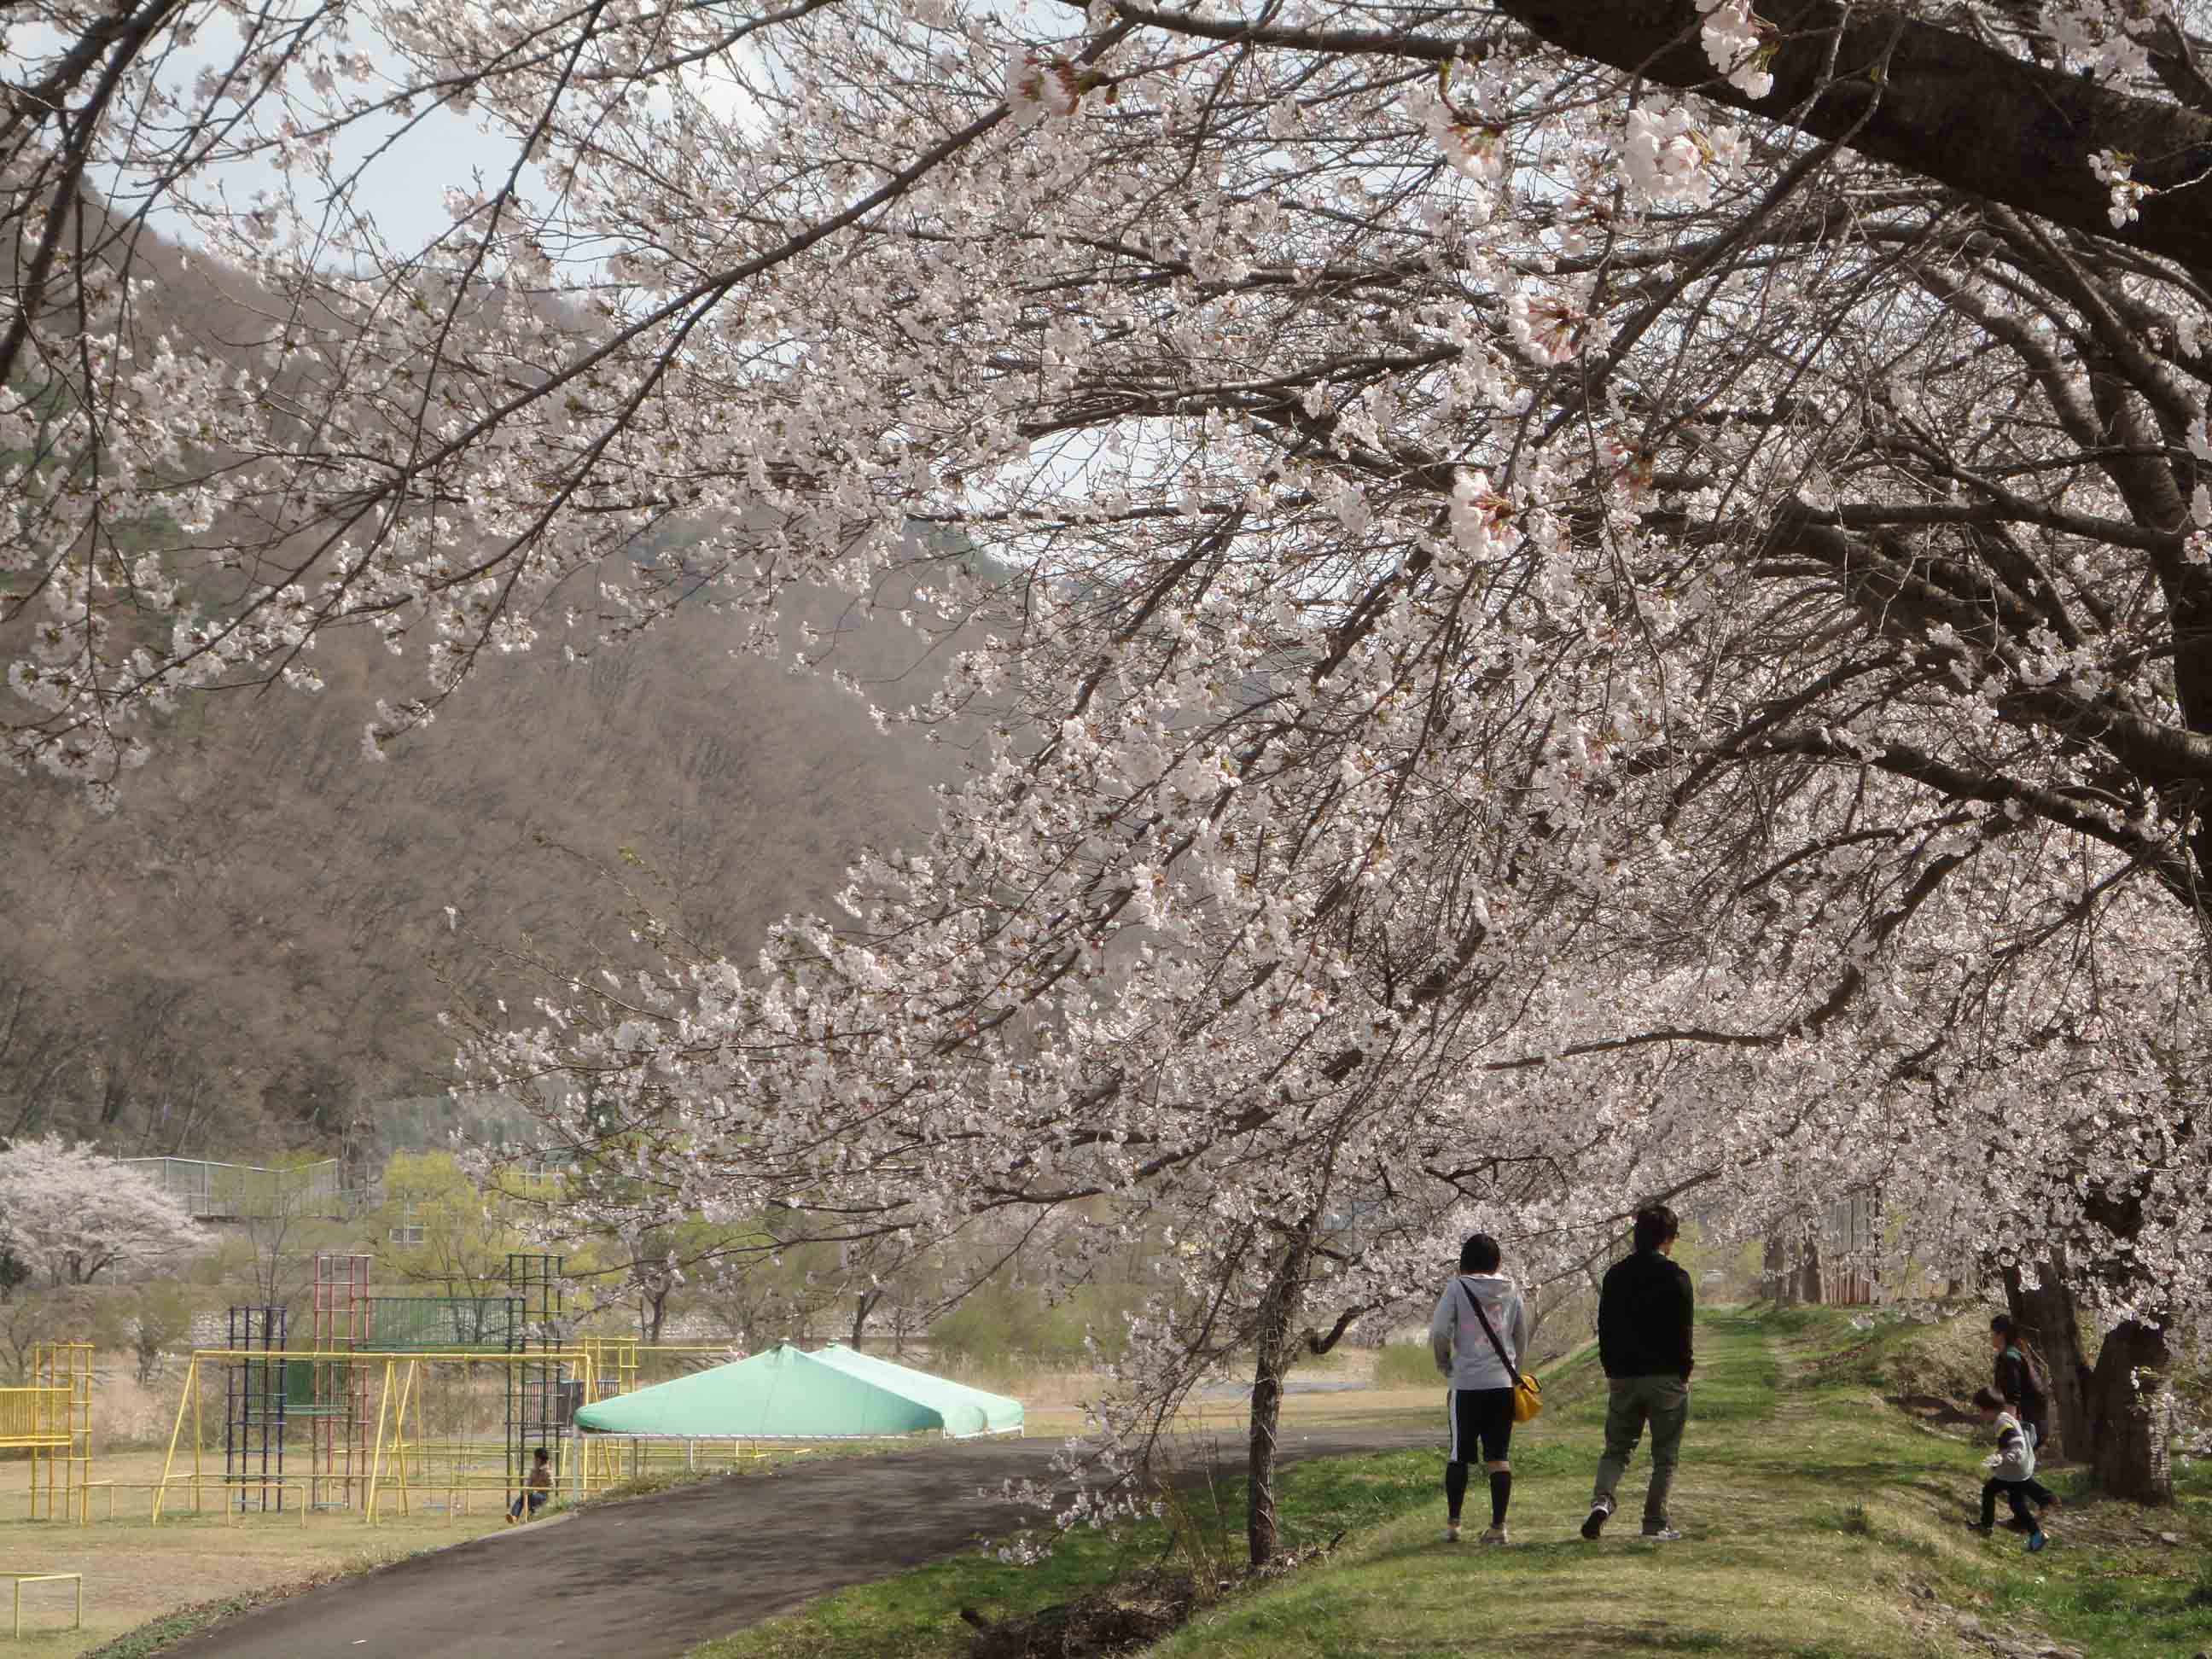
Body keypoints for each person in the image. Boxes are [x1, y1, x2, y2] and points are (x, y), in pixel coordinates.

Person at [1581, 1203, 1693, 1543]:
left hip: (1624, 1376)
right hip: (1665, 1378)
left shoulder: (1615, 1275)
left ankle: (1602, 1501)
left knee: (1616, 1448)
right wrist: (1684, 1371)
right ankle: (1654, 1520)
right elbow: (1683, 1332)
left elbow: (1605, 1327)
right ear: (1667, 1239)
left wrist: (1611, 1368)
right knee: (1665, 1454)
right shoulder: (1676, 1276)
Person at [1429, 1231, 1529, 1545]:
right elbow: (1520, 1335)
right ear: (1497, 1262)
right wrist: (1514, 1370)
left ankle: (1453, 1525)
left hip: (1467, 1384)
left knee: (1459, 1454)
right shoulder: (1512, 1289)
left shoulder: (1457, 1288)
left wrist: (1447, 1366)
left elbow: (1439, 1332)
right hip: (1502, 1384)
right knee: (1499, 1456)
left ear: (1463, 1263)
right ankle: (1498, 1527)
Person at [1966, 1387, 2056, 1550]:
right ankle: (2037, 1534)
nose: (1980, 1414)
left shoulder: (2002, 1423)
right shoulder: (2005, 1416)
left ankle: (1986, 1527)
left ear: (1990, 1410)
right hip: (2019, 1470)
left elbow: (2017, 1444)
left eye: (1981, 1410)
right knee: (2016, 1504)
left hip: (2013, 1471)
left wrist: (2002, 1458)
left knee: (1989, 1490)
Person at [1990, 1314, 2054, 1459]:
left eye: (1992, 1332)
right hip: (2030, 1419)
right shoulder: (2011, 1355)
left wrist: (2008, 1432)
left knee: (2015, 1469)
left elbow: (2012, 1397)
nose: (1991, 1336)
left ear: (2001, 1335)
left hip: (2027, 1421)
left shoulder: (2010, 1359)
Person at [508, 1447, 553, 1523]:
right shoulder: (533, 1471)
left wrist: (541, 1487)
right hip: (532, 1495)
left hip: (542, 1497)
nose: (533, 1461)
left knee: (529, 1497)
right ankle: (514, 1516)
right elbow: (528, 1484)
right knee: (522, 1498)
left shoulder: (547, 1472)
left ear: (538, 1460)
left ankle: (526, 1516)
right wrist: (526, 1489)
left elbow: (552, 1486)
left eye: (534, 1459)